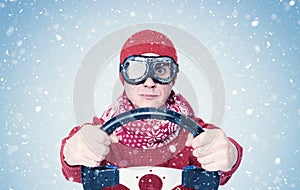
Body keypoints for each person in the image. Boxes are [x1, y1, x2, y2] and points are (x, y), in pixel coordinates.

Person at [60, 29, 243, 189]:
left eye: (161, 71)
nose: (149, 82)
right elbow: (76, 162)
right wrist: (72, 152)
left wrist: (229, 154)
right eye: (137, 70)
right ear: (123, 77)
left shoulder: (192, 135)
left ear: (174, 78)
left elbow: (217, 151)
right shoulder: (102, 134)